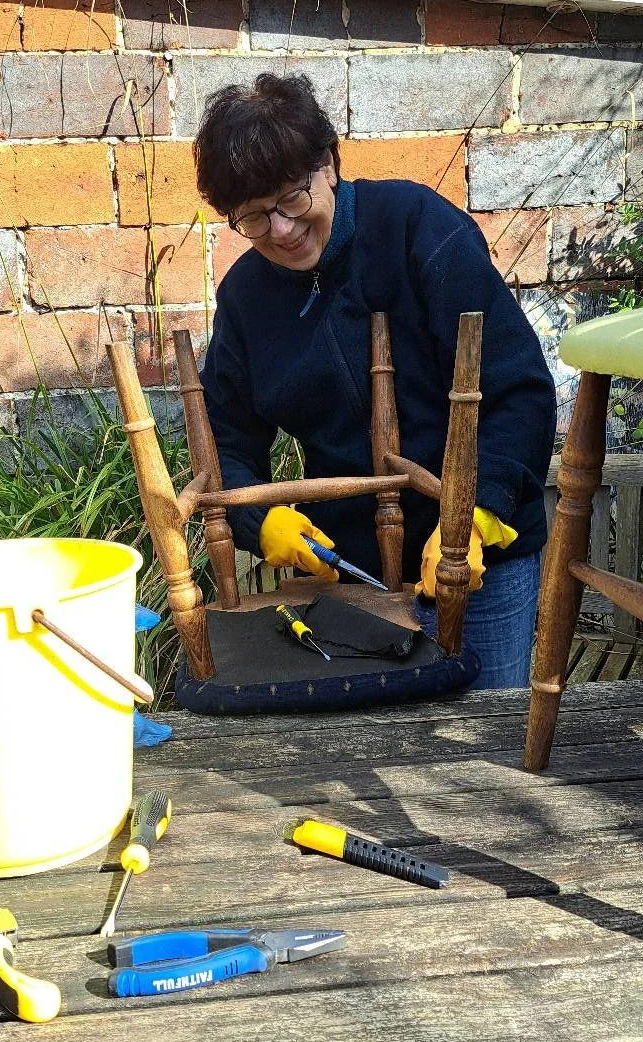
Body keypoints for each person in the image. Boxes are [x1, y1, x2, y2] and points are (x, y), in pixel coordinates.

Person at [194, 72, 556, 689]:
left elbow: (518, 389)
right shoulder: (245, 299)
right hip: (352, 576)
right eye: (252, 217)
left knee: (485, 739)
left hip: (482, 561)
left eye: (291, 198)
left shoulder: (420, 229)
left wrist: (477, 514)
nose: (279, 230)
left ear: (329, 164)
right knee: (378, 749)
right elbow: (225, 440)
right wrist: (264, 521)